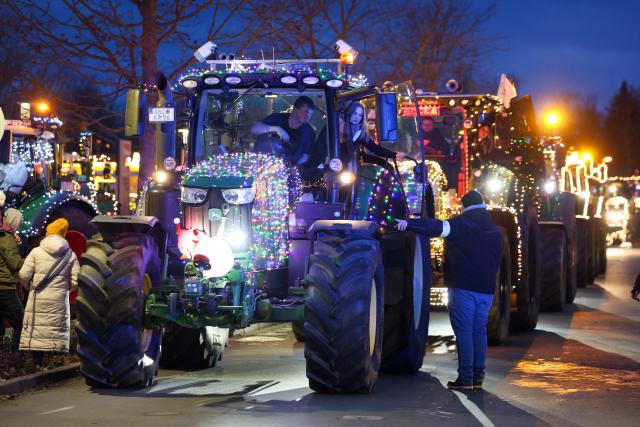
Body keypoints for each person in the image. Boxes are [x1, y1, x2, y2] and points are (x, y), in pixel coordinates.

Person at [395, 190, 502, 390]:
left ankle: (466, 378)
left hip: (463, 287)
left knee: (464, 332)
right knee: (479, 331)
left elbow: (435, 227)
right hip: (486, 290)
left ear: (464, 206)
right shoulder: (495, 232)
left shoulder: (462, 225)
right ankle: (478, 377)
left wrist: (408, 224)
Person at [19, 218, 80, 359]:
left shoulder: (36, 252)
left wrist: (30, 287)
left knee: (38, 328)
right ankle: (53, 361)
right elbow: (76, 280)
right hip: (59, 299)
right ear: (63, 234)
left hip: (38, 297)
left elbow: (23, 274)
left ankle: (37, 361)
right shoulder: (70, 254)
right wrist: (64, 289)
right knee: (55, 329)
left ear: (48, 233)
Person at [251, 96, 317, 165]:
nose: (308, 116)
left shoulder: (310, 133)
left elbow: (306, 156)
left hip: (288, 170)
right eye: (306, 112)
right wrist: (277, 129)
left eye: (311, 114)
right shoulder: (277, 119)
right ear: (296, 109)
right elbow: (254, 129)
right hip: (263, 164)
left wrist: (292, 166)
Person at [0, 208, 24, 351]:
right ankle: (16, 355)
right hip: (4, 286)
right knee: (21, 320)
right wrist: (29, 261)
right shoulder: (6, 237)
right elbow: (15, 263)